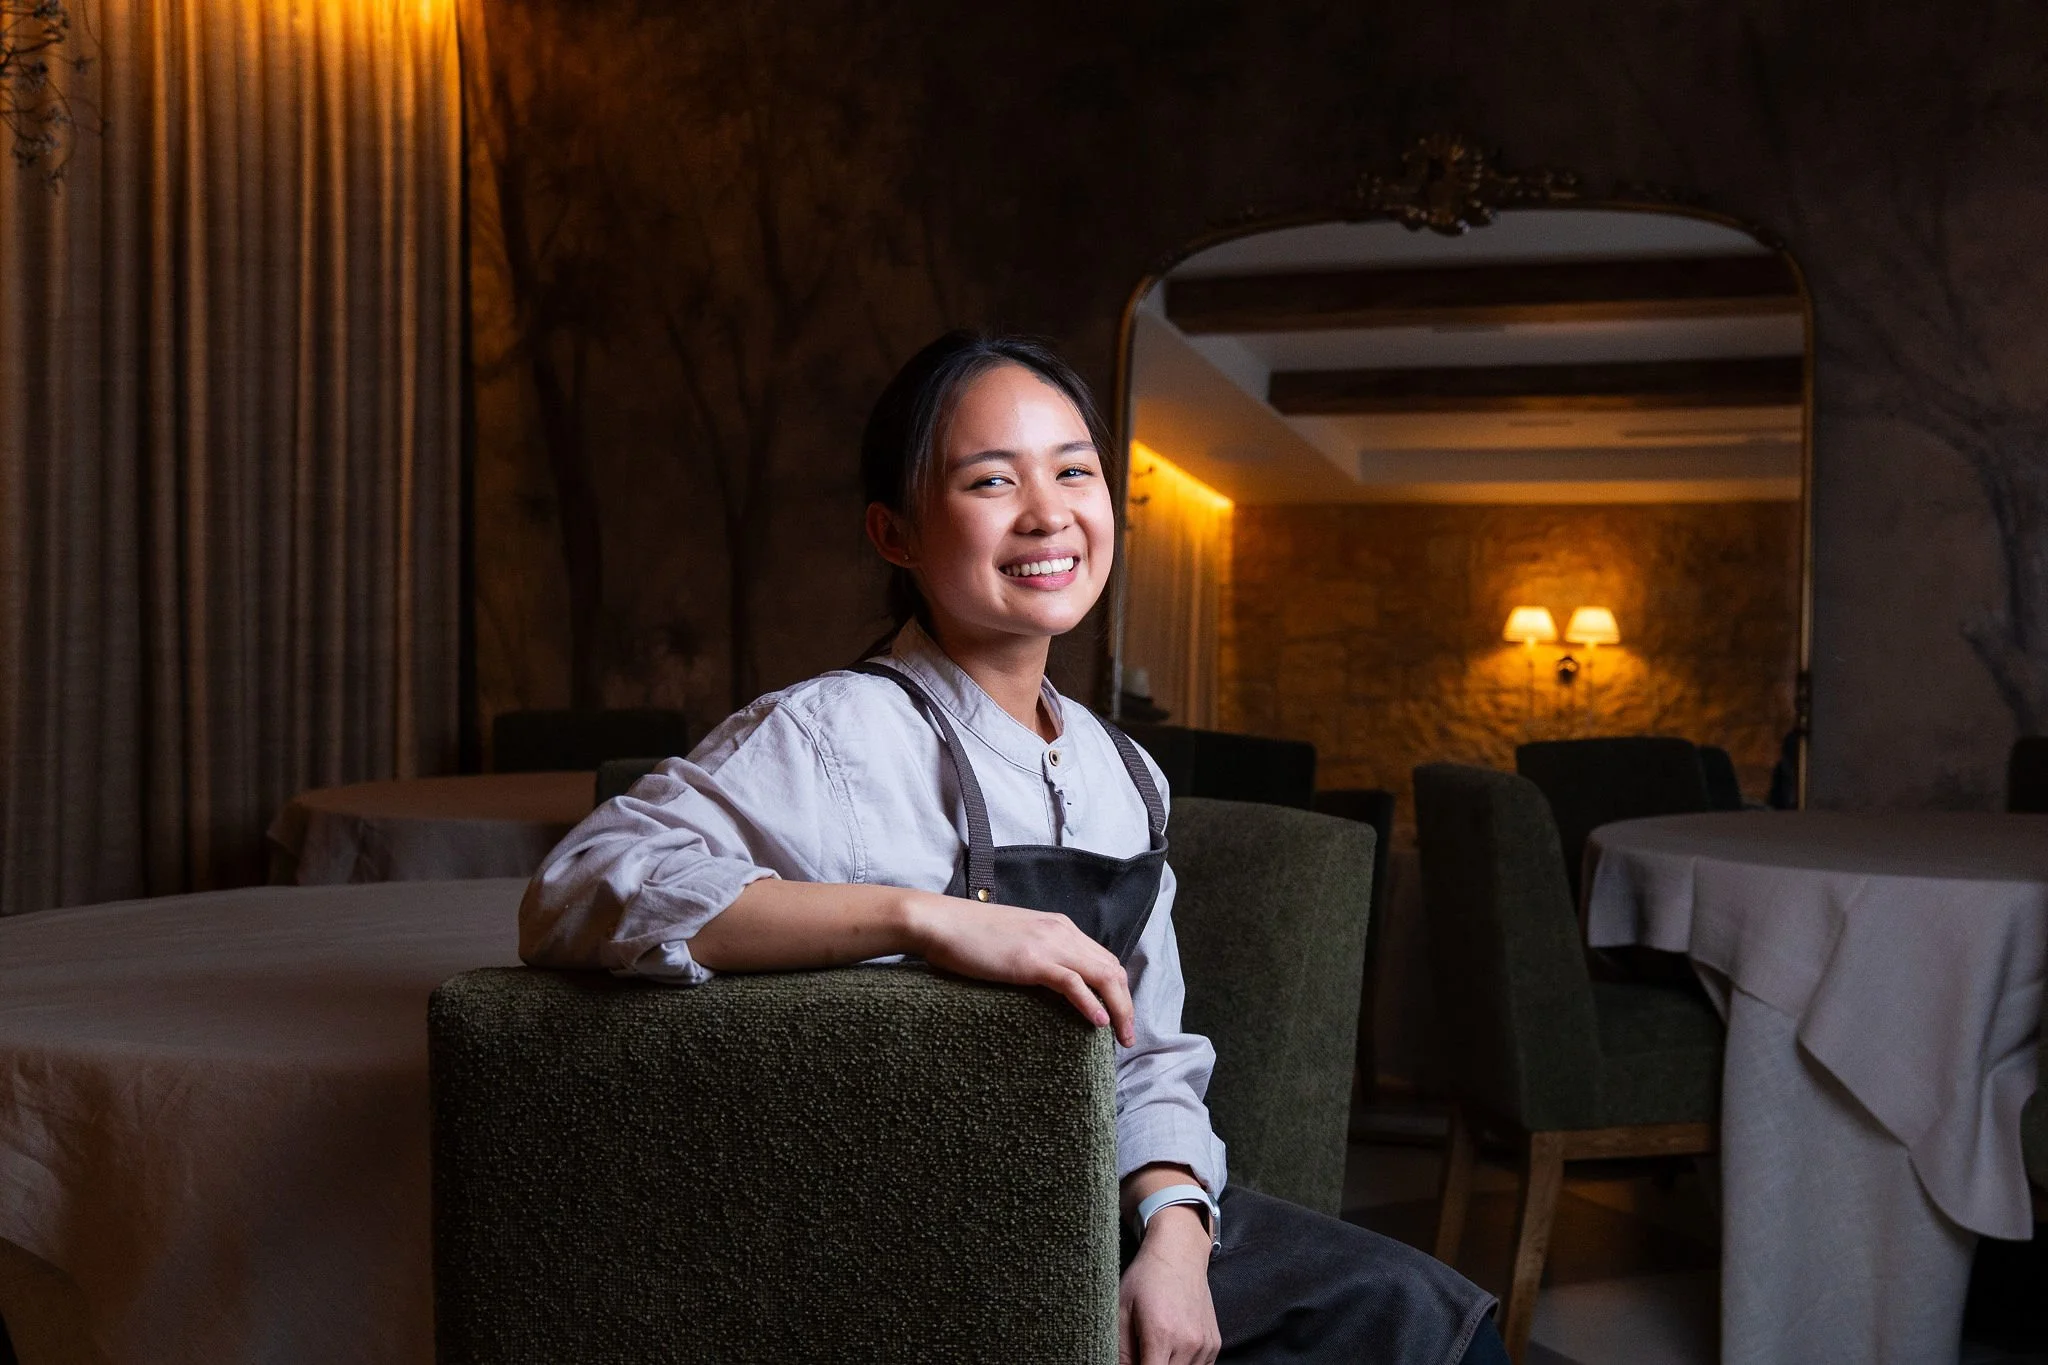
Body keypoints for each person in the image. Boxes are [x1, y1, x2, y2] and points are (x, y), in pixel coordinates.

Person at [521, 331, 1506, 1365]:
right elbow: (577, 887)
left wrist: (1174, 1241)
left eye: (1073, 472)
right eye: (991, 480)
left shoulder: (1124, 775)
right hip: (906, 1247)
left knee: (1436, 1331)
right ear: (895, 533)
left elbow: (1149, 1056)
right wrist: (928, 922)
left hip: (1104, 1211)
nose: (1047, 513)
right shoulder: (836, 735)